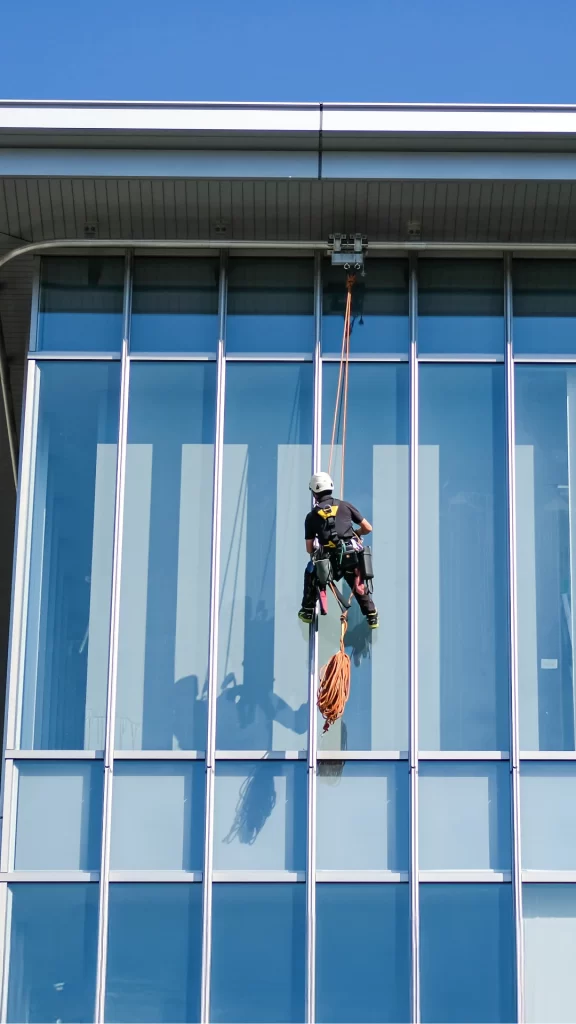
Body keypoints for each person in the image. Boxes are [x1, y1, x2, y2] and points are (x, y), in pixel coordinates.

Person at [298, 471, 379, 628]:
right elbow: (368, 528)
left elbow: (309, 549)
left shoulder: (311, 516)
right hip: (350, 558)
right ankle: (372, 616)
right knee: (357, 583)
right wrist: (355, 533)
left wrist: (319, 542)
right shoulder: (345, 506)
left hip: (329, 563)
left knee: (312, 573)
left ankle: (307, 610)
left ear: (314, 493)